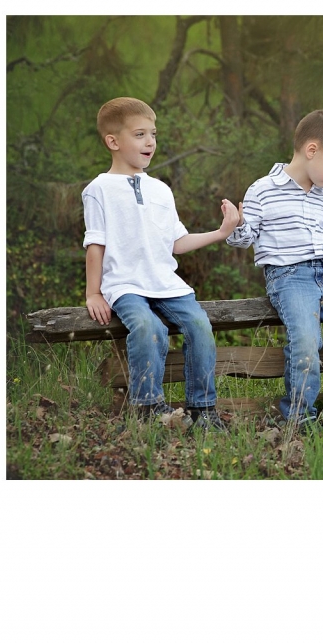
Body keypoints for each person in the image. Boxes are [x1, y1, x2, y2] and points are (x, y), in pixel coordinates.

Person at [82, 96, 242, 431]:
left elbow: (177, 243)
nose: (150, 142)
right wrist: (93, 293)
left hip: (166, 284)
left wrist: (222, 232)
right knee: (148, 327)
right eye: (140, 134)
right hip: (125, 285)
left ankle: (202, 409)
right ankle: (148, 408)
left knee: (199, 325)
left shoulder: (160, 190)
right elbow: (96, 244)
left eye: (153, 134)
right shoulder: (99, 189)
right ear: (113, 141)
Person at [225, 109, 323, 433]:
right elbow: (244, 239)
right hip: (289, 277)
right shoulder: (263, 189)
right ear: (312, 150)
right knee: (306, 340)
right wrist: (236, 224)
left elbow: (322, 244)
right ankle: (299, 416)